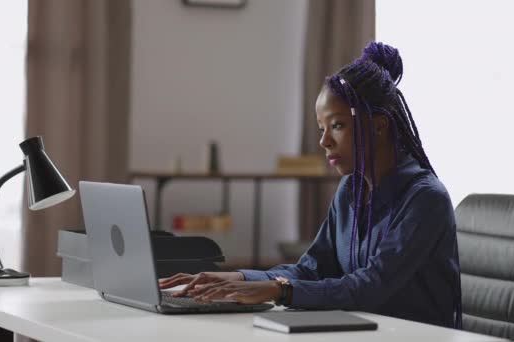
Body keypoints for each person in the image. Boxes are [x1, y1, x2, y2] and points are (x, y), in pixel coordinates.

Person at [159, 41, 462, 329]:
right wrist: (238, 278)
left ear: (379, 125)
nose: (324, 141)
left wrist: (280, 291)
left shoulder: (426, 199)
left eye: (337, 125)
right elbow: (310, 269)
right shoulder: (350, 191)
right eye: (321, 128)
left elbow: (370, 286)